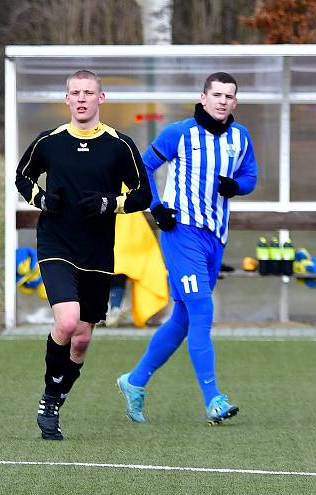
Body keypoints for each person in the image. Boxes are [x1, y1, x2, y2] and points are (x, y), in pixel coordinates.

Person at [15, 69, 152, 440]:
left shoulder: (119, 145)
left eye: (88, 92)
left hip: (97, 254)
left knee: (82, 340)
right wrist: (41, 199)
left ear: (100, 99)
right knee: (67, 321)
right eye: (74, 92)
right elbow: (22, 178)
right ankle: (48, 397)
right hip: (56, 245)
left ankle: (57, 397)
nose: (81, 98)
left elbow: (144, 194)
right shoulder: (50, 141)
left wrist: (112, 202)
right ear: (66, 99)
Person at [117, 72, 258, 424]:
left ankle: (134, 382)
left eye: (230, 96)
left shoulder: (240, 137)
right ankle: (213, 399)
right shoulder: (180, 133)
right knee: (202, 312)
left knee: (182, 318)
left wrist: (235, 186)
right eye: (217, 94)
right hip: (181, 233)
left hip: (215, 237)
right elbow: (144, 167)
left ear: (235, 102)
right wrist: (156, 206)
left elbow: (251, 177)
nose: (223, 100)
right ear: (204, 97)